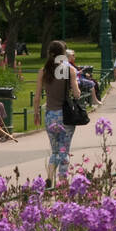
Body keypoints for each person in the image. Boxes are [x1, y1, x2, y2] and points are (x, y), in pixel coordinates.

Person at [33, 41, 82, 187]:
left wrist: (36, 113)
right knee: (64, 150)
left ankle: (49, 176)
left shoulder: (44, 71)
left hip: (50, 115)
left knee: (55, 151)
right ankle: (62, 179)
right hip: (65, 116)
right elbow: (76, 93)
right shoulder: (69, 70)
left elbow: (36, 97)